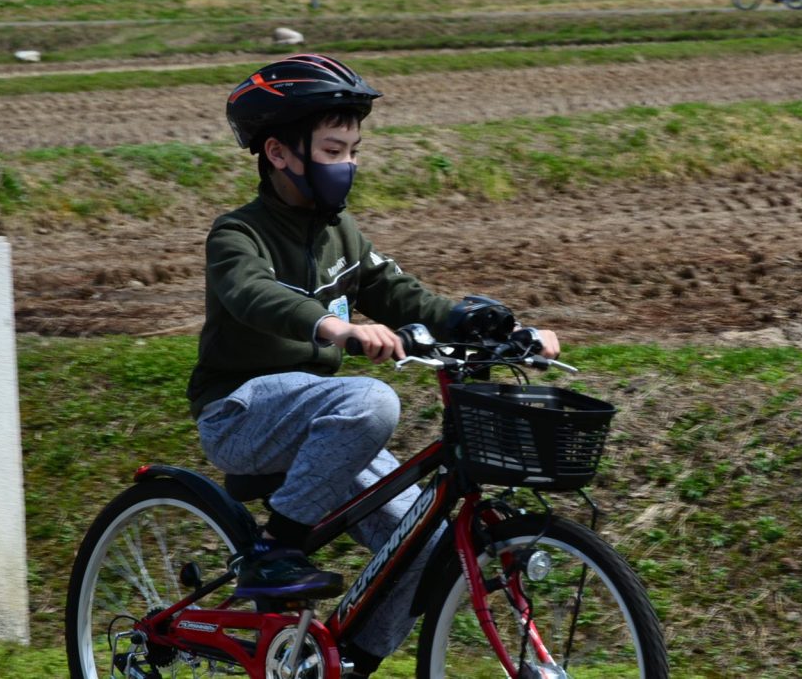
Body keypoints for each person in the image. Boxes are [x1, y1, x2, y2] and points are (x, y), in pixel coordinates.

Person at [186, 53, 559, 677]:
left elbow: (407, 296)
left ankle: (349, 662)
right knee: (373, 400)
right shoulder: (237, 234)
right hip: (241, 415)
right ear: (279, 152)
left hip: (317, 424)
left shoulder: (342, 235)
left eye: (353, 150)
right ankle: (275, 549)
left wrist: (505, 329)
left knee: (426, 545)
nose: (348, 165)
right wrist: (334, 325)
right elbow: (252, 293)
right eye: (334, 150)